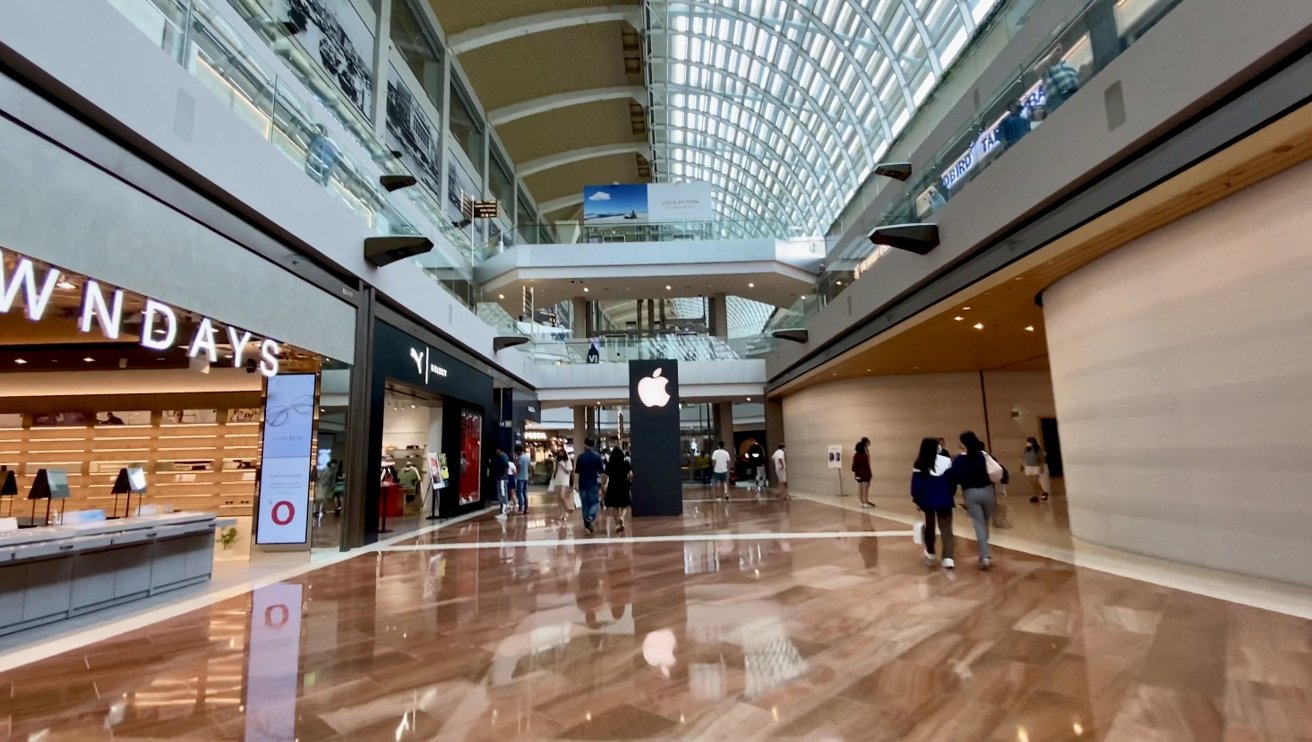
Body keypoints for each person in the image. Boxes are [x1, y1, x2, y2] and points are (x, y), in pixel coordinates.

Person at [950, 431, 999, 570]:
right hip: (988, 491)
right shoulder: (983, 455)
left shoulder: (960, 460)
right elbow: (997, 470)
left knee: (978, 523)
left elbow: (954, 476)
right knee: (986, 521)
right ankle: (985, 551)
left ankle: (985, 556)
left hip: (970, 493)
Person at [911, 437, 955, 569]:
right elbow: (952, 482)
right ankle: (948, 558)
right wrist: (949, 495)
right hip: (945, 500)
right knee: (946, 528)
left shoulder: (919, 464)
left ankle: (931, 552)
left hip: (927, 501)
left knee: (929, 526)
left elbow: (916, 486)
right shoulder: (947, 461)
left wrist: (917, 500)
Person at [575, 439, 606, 534]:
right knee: (595, 503)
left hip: (582, 484)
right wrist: (603, 484)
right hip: (593, 483)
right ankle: (591, 516)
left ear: (585, 445)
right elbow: (601, 472)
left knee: (585, 505)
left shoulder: (580, 457)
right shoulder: (597, 457)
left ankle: (587, 526)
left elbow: (577, 473)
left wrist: (575, 484)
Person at [602, 447, 633, 534]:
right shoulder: (625, 463)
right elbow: (631, 474)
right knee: (625, 505)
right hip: (623, 486)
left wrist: (603, 485)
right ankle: (622, 517)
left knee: (614, 506)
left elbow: (605, 476)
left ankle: (617, 524)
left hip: (612, 487)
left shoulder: (609, 464)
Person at [549, 449, 574, 523]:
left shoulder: (568, 461)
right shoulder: (558, 461)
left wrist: (562, 465)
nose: (560, 454)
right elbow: (556, 471)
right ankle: (561, 514)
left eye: (561, 453)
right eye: (559, 453)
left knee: (562, 496)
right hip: (558, 479)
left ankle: (567, 509)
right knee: (558, 498)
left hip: (565, 480)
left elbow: (568, 471)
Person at [1023, 437, 1050, 503]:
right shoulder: (1026, 449)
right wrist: (1023, 465)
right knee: (1032, 483)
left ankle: (1035, 496)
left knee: (1035, 482)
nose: (1028, 443)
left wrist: (1041, 466)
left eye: (1029, 442)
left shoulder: (1038, 449)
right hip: (1028, 467)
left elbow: (1042, 458)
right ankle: (1043, 493)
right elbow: (1024, 458)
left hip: (1036, 467)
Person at [852, 437, 873, 508]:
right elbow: (867, 465)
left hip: (858, 474)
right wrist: (870, 474)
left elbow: (854, 466)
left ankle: (861, 501)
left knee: (860, 486)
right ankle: (865, 501)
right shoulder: (864, 455)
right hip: (865, 474)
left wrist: (855, 474)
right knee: (865, 487)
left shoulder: (856, 455)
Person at [493, 446, 511, 521]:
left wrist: (502, 475)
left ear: (499, 449)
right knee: (502, 495)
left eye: (496, 449)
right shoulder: (504, 456)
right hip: (502, 478)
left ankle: (503, 513)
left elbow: (506, 466)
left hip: (502, 479)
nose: (496, 451)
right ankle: (502, 512)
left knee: (503, 495)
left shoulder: (502, 456)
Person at [514, 445, 531, 515]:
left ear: (518, 451)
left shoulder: (520, 458)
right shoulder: (527, 457)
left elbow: (519, 467)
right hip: (526, 477)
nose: (516, 454)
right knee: (525, 493)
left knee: (520, 493)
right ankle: (526, 508)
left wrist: (516, 473)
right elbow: (529, 467)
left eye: (516, 452)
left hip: (520, 478)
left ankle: (521, 508)